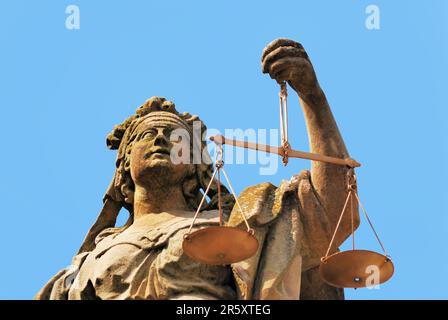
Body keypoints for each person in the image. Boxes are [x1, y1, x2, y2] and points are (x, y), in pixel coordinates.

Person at [35, 38, 358, 300]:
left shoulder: (237, 228)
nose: (161, 140)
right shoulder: (89, 261)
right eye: (149, 134)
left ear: (193, 163)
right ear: (124, 162)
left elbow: (331, 213)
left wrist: (312, 97)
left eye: (175, 137)